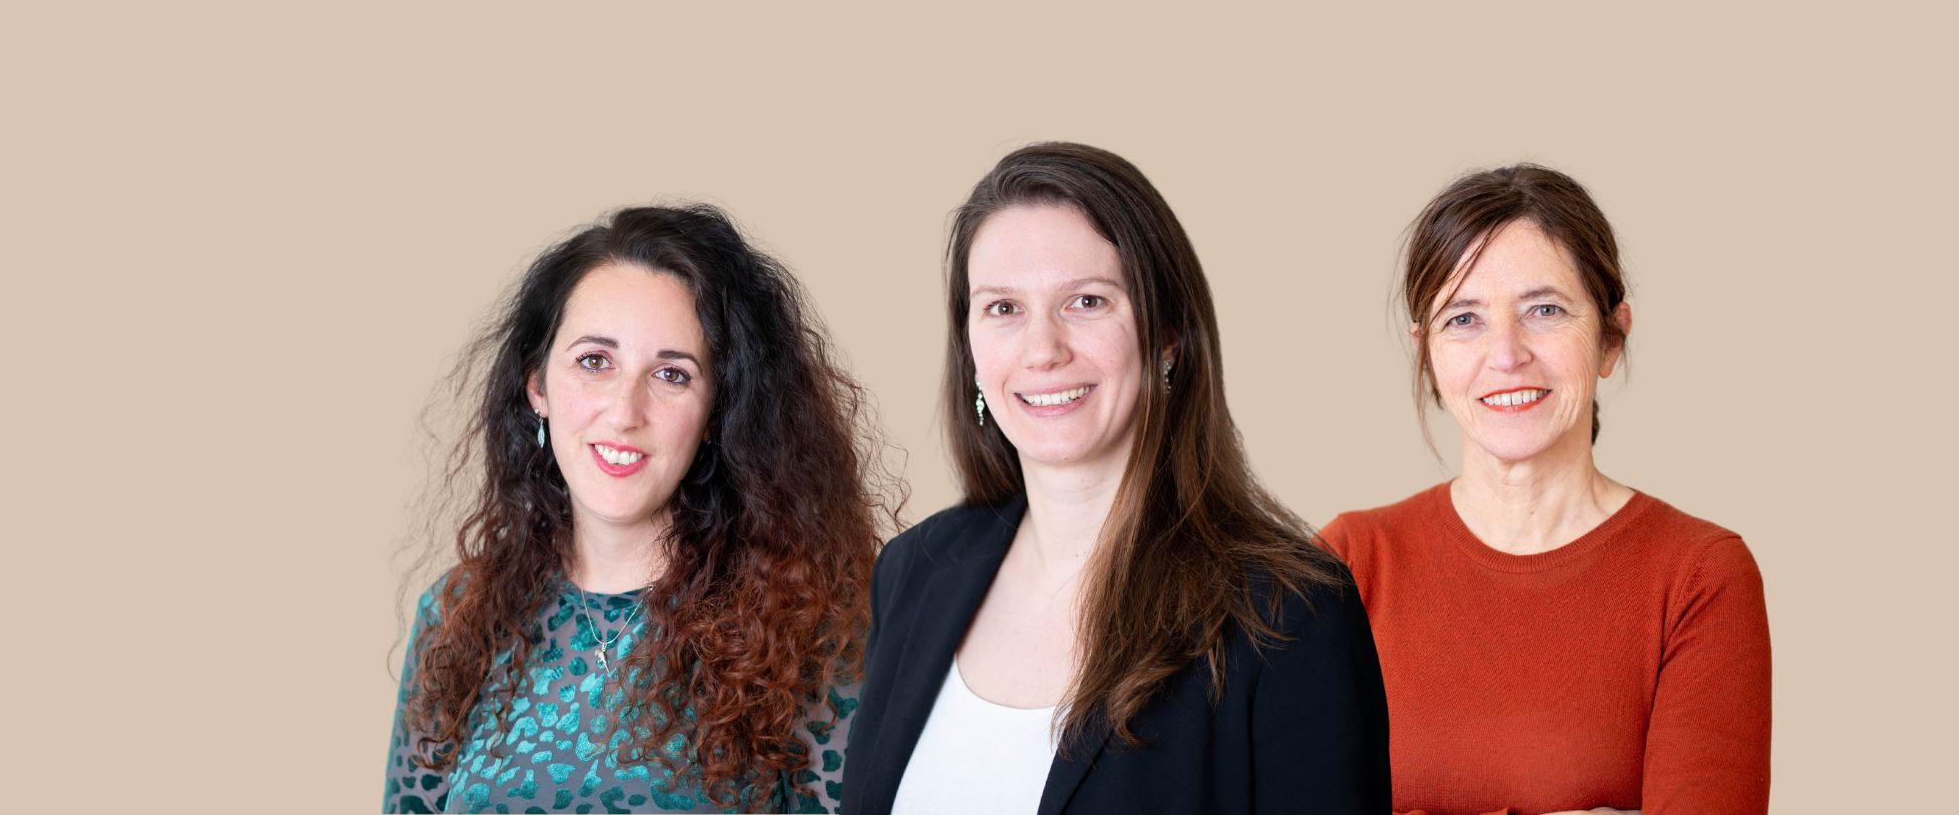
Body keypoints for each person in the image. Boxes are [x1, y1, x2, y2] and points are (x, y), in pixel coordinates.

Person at [844, 142, 1390, 814]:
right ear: (971, 350)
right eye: (1003, 308)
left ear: (1167, 336)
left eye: (1086, 301)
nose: (1042, 350)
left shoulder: (1289, 614)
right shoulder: (911, 571)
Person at [383, 204, 895, 813]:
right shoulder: (456, 617)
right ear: (537, 386)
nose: (626, 412)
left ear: (717, 413)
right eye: (594, 362)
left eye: (672, 375)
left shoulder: (809, 629)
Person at [1319, 165, 1772, 815]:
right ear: (1428, 355)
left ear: (1612, 337)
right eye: (1464, 318)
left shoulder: (1699, 576)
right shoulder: (1349, 563)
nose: (1506, 354)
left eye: (1545, 310)